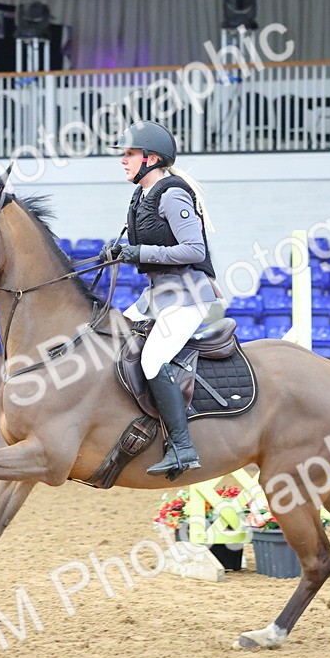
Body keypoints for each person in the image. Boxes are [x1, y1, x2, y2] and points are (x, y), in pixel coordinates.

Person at [103, 120, 225, 480]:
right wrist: (118, 250)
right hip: (159, 294)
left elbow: (194, 248)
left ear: (151, 158)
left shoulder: (172, 195)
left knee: (153, 358)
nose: (123, 161)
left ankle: (184, 447)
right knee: (112, 337)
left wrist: (138, 251)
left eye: (130, 154)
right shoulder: (141, 197)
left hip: (187, 295)